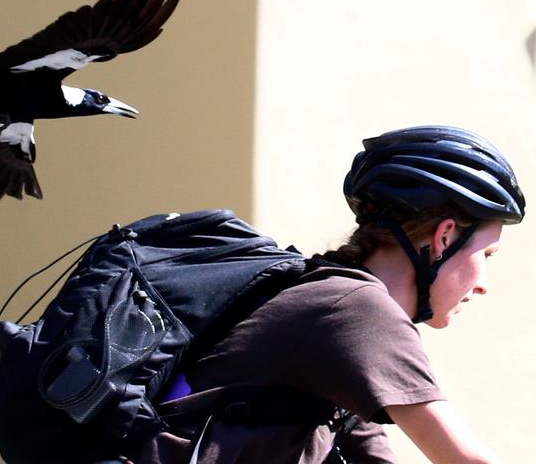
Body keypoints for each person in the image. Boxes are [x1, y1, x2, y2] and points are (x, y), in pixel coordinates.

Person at [129, 125, 526, 463]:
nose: (483, 284)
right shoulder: (357, 310)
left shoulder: (339, 311)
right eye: (486, 254)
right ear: (444, 237)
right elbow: (466, 459)